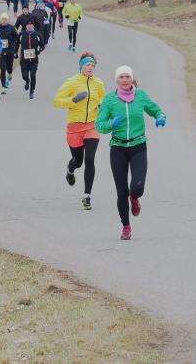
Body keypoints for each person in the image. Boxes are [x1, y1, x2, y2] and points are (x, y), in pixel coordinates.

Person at [95, 65, 166, 240]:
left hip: (138, 147)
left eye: (127, 77)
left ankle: (134, 199)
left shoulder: (140, 96)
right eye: (121, 77)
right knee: (121, 192)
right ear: (116, 80)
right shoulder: (109, 100)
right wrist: (111, 124)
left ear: (132, 79)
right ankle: (126, 226)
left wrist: (160, 117)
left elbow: (155, 109)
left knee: (137, 187)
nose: (125, 80)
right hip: (118, 148)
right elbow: (99, 125)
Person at [53, 53, 106, 210]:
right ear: (81, 67)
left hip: (92, 126)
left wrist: (102, 105)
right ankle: (70, 170)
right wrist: (73, 100)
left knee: (90, 159)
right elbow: (56, 101)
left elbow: (102, 98)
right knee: (78, 161)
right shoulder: (71, 82)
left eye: (92, 65)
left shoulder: (98, 83)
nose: (90, 68)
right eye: (87, 65)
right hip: (75, 126)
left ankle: (87, 196)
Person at [17, 21, 43, 100]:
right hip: (24, 59)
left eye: (31, 25)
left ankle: (31, 91)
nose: (29, 26)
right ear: (26, 26)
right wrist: (15, 52)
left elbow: (42, 45)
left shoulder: (37, 35)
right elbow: (17, 43)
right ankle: (27, 81)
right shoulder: (21, 34)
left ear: (33, 26)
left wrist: (38, 51)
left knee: (33, 75)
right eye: (28, 25)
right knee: (24, 75)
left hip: (34, 59)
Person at [0, 13, 18, 94]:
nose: (4, 21)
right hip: (0, 51)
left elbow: (16, 38)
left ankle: (10, 73)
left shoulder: (11, 28)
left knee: (9, 67)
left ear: (8, 20)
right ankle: (3, 87)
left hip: (10, 51)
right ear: (0, 20)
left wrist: (13, 45)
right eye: (2, 19)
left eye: (5, 19)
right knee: (3, 69)